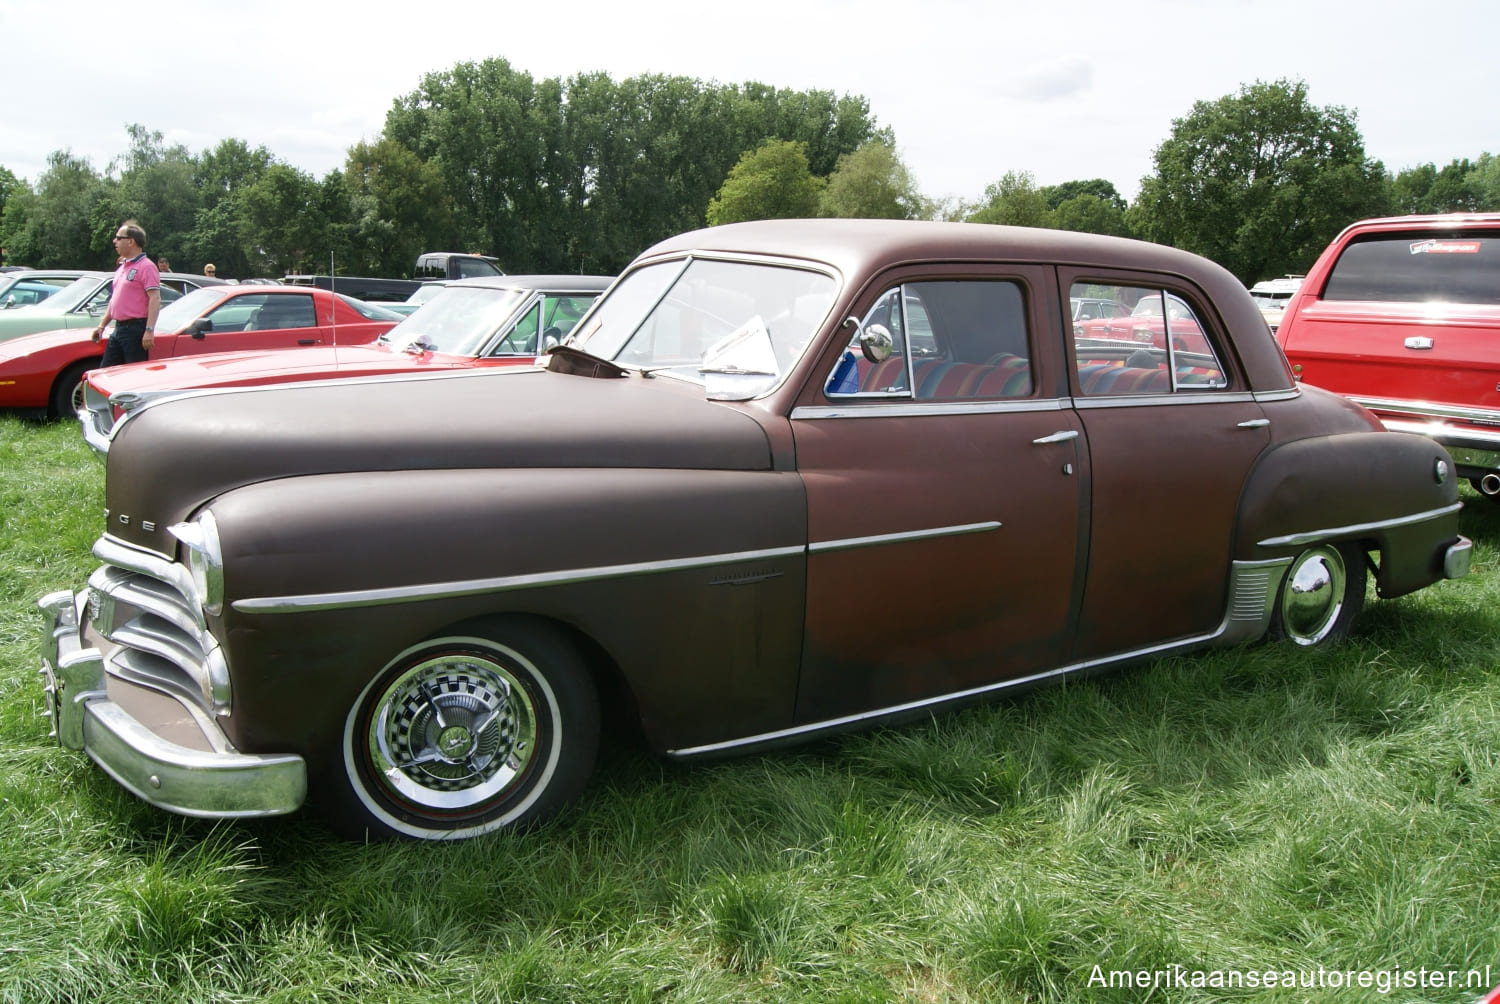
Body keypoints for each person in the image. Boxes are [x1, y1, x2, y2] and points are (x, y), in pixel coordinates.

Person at [92, 221, 161, 366]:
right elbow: (115, 299)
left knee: (133, 374)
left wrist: (149, 330)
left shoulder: (146, 266)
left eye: (118, 237)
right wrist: (101, 326)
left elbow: (154, 298)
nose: (114, 241)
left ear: (131, 242)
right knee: (106, 372)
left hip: (135, 329)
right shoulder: (122, 267)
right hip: (119, 328)